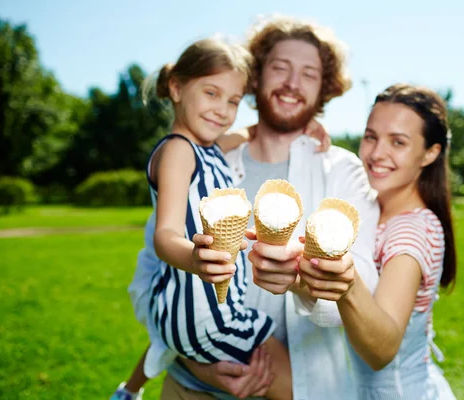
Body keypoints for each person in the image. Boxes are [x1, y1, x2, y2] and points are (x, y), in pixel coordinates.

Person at [157, 15, 381, 399]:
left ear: (324, 88)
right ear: (255, 77)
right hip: (189, 385)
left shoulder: (342, 171)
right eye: (280, 68)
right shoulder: (210, 159)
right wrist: (196, 359)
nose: (293, 83)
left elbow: (361, 290)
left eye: (309, 74)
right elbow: (156, 270)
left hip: (299, 385)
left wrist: (301, 283)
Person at [111, 37, 292, 400]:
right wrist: (194, 259)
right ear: (176, 88)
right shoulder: (179, 151)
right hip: (206, 315)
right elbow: (165, 235)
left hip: (198, 309)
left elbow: (245, 134)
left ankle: (129, 392)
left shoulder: (206, 149)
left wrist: (308, 129)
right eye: (211, 93)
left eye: (233, 101)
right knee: (296, 388)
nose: (222, 110)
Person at [298, 83, 458, 399]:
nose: (376, 153)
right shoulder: (374, 208)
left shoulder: (411, 231)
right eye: (371, 136)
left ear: (430, 153)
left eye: (397, 142)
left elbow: (381, 351)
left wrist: (347, 283)